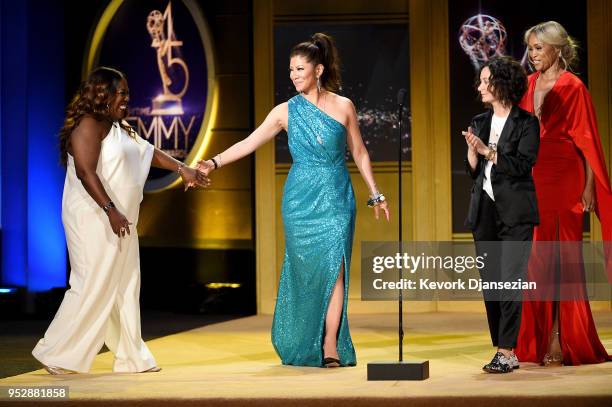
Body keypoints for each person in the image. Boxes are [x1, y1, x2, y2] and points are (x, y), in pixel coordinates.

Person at [197, 33, 389, 368]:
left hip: (336, 197)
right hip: (300, 202)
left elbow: (358, 152)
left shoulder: (344, 106)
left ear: (318, 69)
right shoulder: (284, 112)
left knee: (336, 270)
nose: (293, 74)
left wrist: (376, 194)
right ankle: (305, 338)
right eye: (290, 69)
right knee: (306, 274)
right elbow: (249, 142)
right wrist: (213, 162)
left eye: (300, 68)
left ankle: (330, 344)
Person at [32, 67, 209, 374]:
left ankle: (131, 357)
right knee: (92, 283)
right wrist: (111, 209)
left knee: (126, 285)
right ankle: (57, 353)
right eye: (121, 93)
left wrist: (184, 169)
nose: (127, 99)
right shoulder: (88, 124)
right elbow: (86, 172)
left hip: (122, 220)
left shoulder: (119, 126)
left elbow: (149, 152)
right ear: (102, 93)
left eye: (127, 93)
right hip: (95, 217)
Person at [515, 21, 612, 366]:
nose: (533, 54)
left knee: (562, 261)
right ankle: (533, 339)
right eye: (530, 48)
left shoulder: (574, 87)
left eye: (539, 47)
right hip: (533, 177)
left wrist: (588, 187)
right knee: (535, 261)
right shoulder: (525, 85)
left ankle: (559, 337)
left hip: (566, 176)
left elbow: (587, 141)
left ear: (557, 48)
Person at [463, 56, 540, 373]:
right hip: (484, 212)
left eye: (485, 80)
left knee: (510, 281)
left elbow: (523, 165)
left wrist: (488, 151)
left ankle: (507, 351)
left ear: (502, 84)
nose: (479, 86)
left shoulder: (526, 123)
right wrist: (472, 152)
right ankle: (501, 348)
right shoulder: (480, 121)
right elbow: (475, 173)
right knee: (492, 284)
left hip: (516, 212)